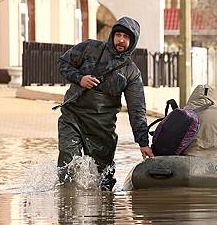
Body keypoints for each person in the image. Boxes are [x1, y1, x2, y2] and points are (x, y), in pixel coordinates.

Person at [57, 16, 154, 190]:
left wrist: (143, 143)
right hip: (73, 116)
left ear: (132, 41)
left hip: (102, 127)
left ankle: (105, 213)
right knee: (67, 161)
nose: (121, 40)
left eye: (126, 37)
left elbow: (137, 110)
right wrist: (80, 78)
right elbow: (64, 62)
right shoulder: (90, 48)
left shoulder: (132, 74)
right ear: (112, 35)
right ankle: (66, 206)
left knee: (104, 179)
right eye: (118, 35)